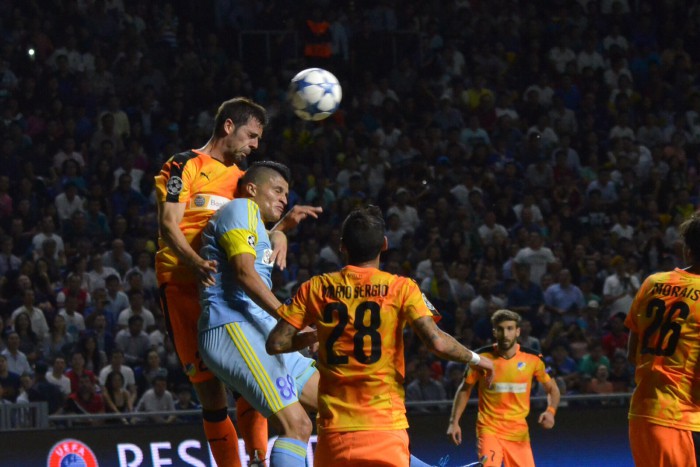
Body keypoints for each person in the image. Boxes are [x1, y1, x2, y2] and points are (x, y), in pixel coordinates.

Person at [155, 96, 320, 466]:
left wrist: (280, 231)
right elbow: (168, 224)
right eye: (251, 135)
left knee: (251, 387)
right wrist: (195, 262)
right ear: (228, 126)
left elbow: (248, 235)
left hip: (230, 293)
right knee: (211, 395)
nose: (255, 145)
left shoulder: (243, 180)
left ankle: (258, 458)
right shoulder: (185, 165)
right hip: (183, 286)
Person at [267, 205, 495, 467]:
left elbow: (276, 343)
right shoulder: (402, 287)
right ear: (384, 244)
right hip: (386, 427)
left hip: (335, 432)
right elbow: (437, 342)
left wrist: (315, 335)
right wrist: (478, 359)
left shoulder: (316, 287)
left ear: (342, 246)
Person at [198, 161, 320, 467]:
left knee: (340, 407)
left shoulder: (255, 224)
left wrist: (282, 231)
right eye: (277, 190)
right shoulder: (240, 208)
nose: (283, 199)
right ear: (252, 189)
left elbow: (253, 244)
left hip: (259, 326)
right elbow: (244, 273)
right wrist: (293, 321)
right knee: (298, 425)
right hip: (232, 325)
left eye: (286, 194)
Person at [626, 212, 700, 467]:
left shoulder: (652, 283)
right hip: (683, 421)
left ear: (687, 251)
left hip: (643, 416)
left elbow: (632, 353)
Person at [447, 309, 560, 467]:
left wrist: (551, 412)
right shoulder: (480, 358)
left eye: (510, 328)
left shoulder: (534, 358)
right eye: (500, 329)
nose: (505, 334)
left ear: (517, 331)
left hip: (518, 432)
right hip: (489, 429)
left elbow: (553, 389)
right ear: (494, 332)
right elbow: (465, 389)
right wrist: (454, 422)